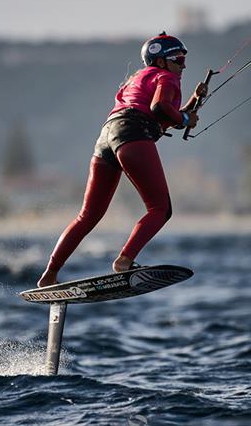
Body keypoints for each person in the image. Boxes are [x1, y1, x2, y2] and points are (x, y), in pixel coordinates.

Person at [36, 32, 208, 287]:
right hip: (132, 135)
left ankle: (49, 273)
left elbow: (157, 115)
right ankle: (124, 260)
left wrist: (193, 102)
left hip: (106, 138)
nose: (183, 65)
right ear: (161, 61)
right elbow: (159, 109)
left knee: (87, 216)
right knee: (160, 209)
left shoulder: (138, 79)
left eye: (184, 59)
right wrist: (184, 120)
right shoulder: (166, 76)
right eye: (178, 59)